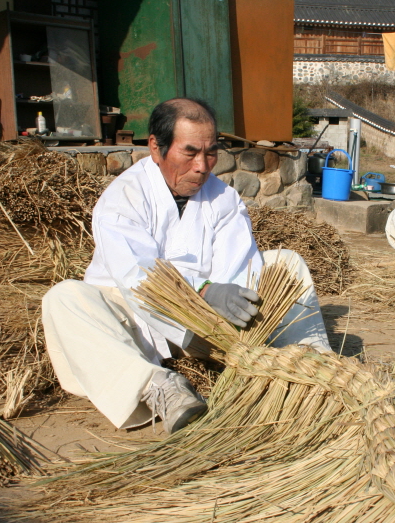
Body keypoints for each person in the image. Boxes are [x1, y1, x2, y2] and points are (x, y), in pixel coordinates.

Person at [42, 98, 331, 434]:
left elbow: (239, 265)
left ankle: (314, 365)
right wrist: (202, 290)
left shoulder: (222, 198)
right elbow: (139, 276)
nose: (202, 166)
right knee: (63, 299)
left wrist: (224, 297)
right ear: (155, 146)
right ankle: (157, 386)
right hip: (133, 320)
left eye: (211, 153)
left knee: (287, 263)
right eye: (190, 152)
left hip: (206, 330)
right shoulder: (124, 197)